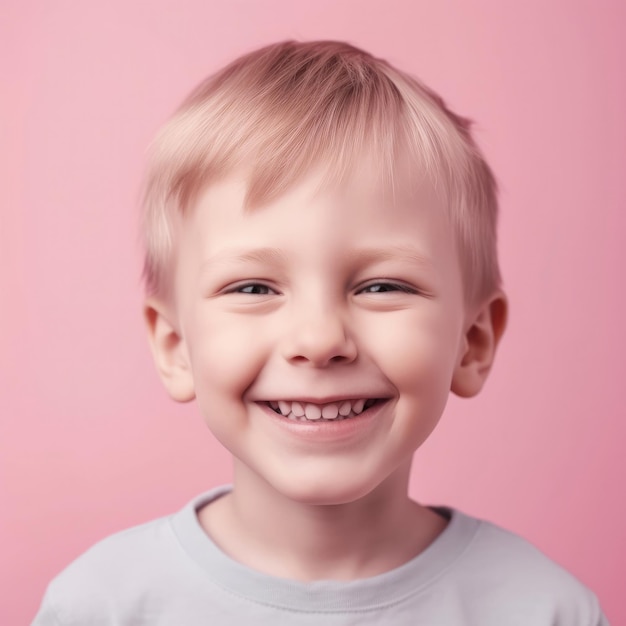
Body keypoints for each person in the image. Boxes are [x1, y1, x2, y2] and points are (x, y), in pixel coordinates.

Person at [32, 40, 608, 625]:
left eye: (382, 286)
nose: (319, 338)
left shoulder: (544, 610)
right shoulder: (101, 607)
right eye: (254, 288)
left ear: (473, 342)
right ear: (174, 346)